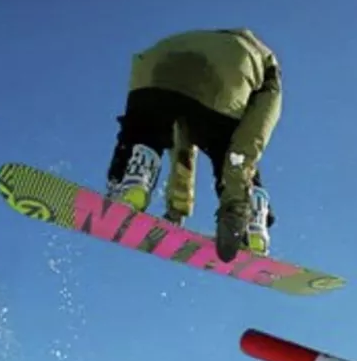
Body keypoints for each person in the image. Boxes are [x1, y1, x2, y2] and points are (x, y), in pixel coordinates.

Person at [104, 27, 282, 262]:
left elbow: (183, 145)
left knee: (144, 130)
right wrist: (236, 206)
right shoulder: (267, 66)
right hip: (227, 77)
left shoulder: (202, 39)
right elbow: (247, 145)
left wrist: (176, 211)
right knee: (227, 150)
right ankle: (253, 221)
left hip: (156, 65)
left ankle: (133, 178)